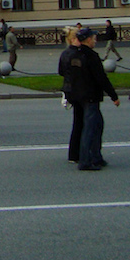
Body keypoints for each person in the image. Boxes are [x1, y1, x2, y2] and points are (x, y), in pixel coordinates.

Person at [68, 27, 120, 171]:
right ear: (88, 39)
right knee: (90, 129)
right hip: (90, 96)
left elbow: (71, 77)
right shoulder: (91, 56)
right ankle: (85, 160)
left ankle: (96, 157)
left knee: (97, 125)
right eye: (94, 38)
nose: (95, 40)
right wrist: (113, 96)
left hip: (79, 96)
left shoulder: (75, 55)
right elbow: (101, 78)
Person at [58, 26, 84, 163]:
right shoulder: (77, 54)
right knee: (82, 122)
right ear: (73, 39)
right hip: (77, 89)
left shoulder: (64, 53)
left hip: (68, 89)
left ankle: (73, 153)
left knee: (77, 121)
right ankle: (78, 153)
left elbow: (61, 71)